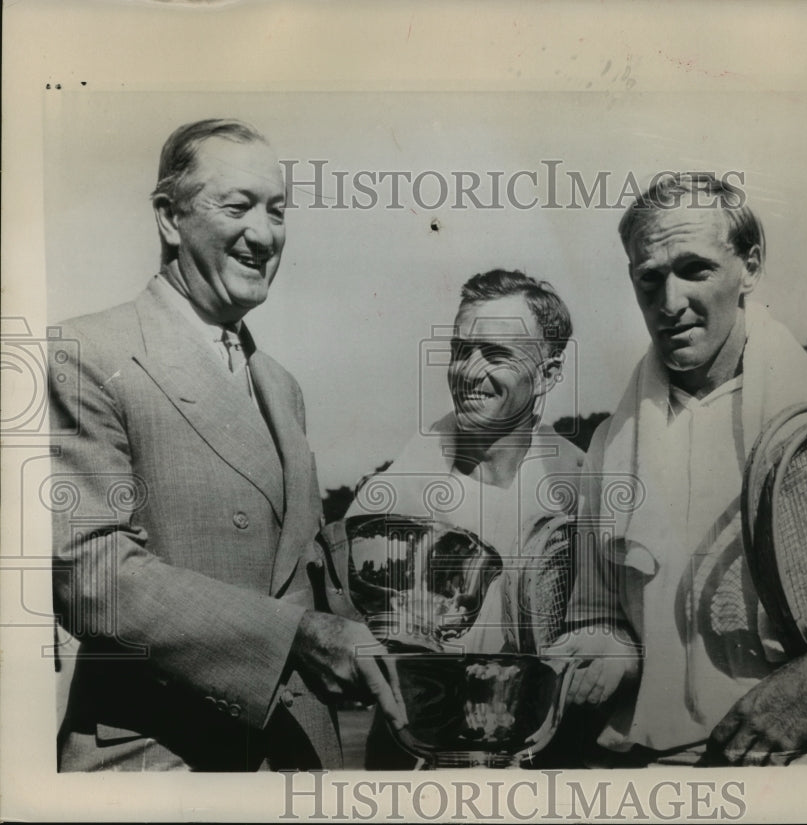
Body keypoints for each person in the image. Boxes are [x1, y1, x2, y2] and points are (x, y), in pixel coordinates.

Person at [48, 118, 401, 771]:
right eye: (238, 207)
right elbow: (88, 572)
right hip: (159, 764)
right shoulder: (86, 353)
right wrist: (292, 638)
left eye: (277, 210)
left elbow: (295, 569)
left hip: (293, 759)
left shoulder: (282, 386)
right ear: (169, 217)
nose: (264, 235)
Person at [560, 172, 807, 766]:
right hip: (651, 771)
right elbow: (596, 613)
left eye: (695, 270)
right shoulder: (609, 445)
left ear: (750, 266)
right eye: (649, 278)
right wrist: (605, 650)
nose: (669, 303)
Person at [341, 269, 586, 768]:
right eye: (460, 350)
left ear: (548, 373)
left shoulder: (583, 485)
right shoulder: (389, 501)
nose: (469, 372)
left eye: (496, 354)